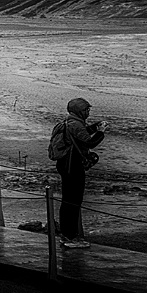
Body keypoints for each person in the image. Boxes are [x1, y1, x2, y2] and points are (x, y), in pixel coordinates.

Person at [54, 97, 107, 249]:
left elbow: (80, 135)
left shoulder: (70, 121)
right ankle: (70, 237)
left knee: (68, 200)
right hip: (72, 166)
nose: (88, 112)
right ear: (79, 111)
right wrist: (101, 132)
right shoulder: (76, 124)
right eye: (86, 110)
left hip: (65, 164)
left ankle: (67, 235)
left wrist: (94, 127)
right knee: (73, 201)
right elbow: (89, 142)